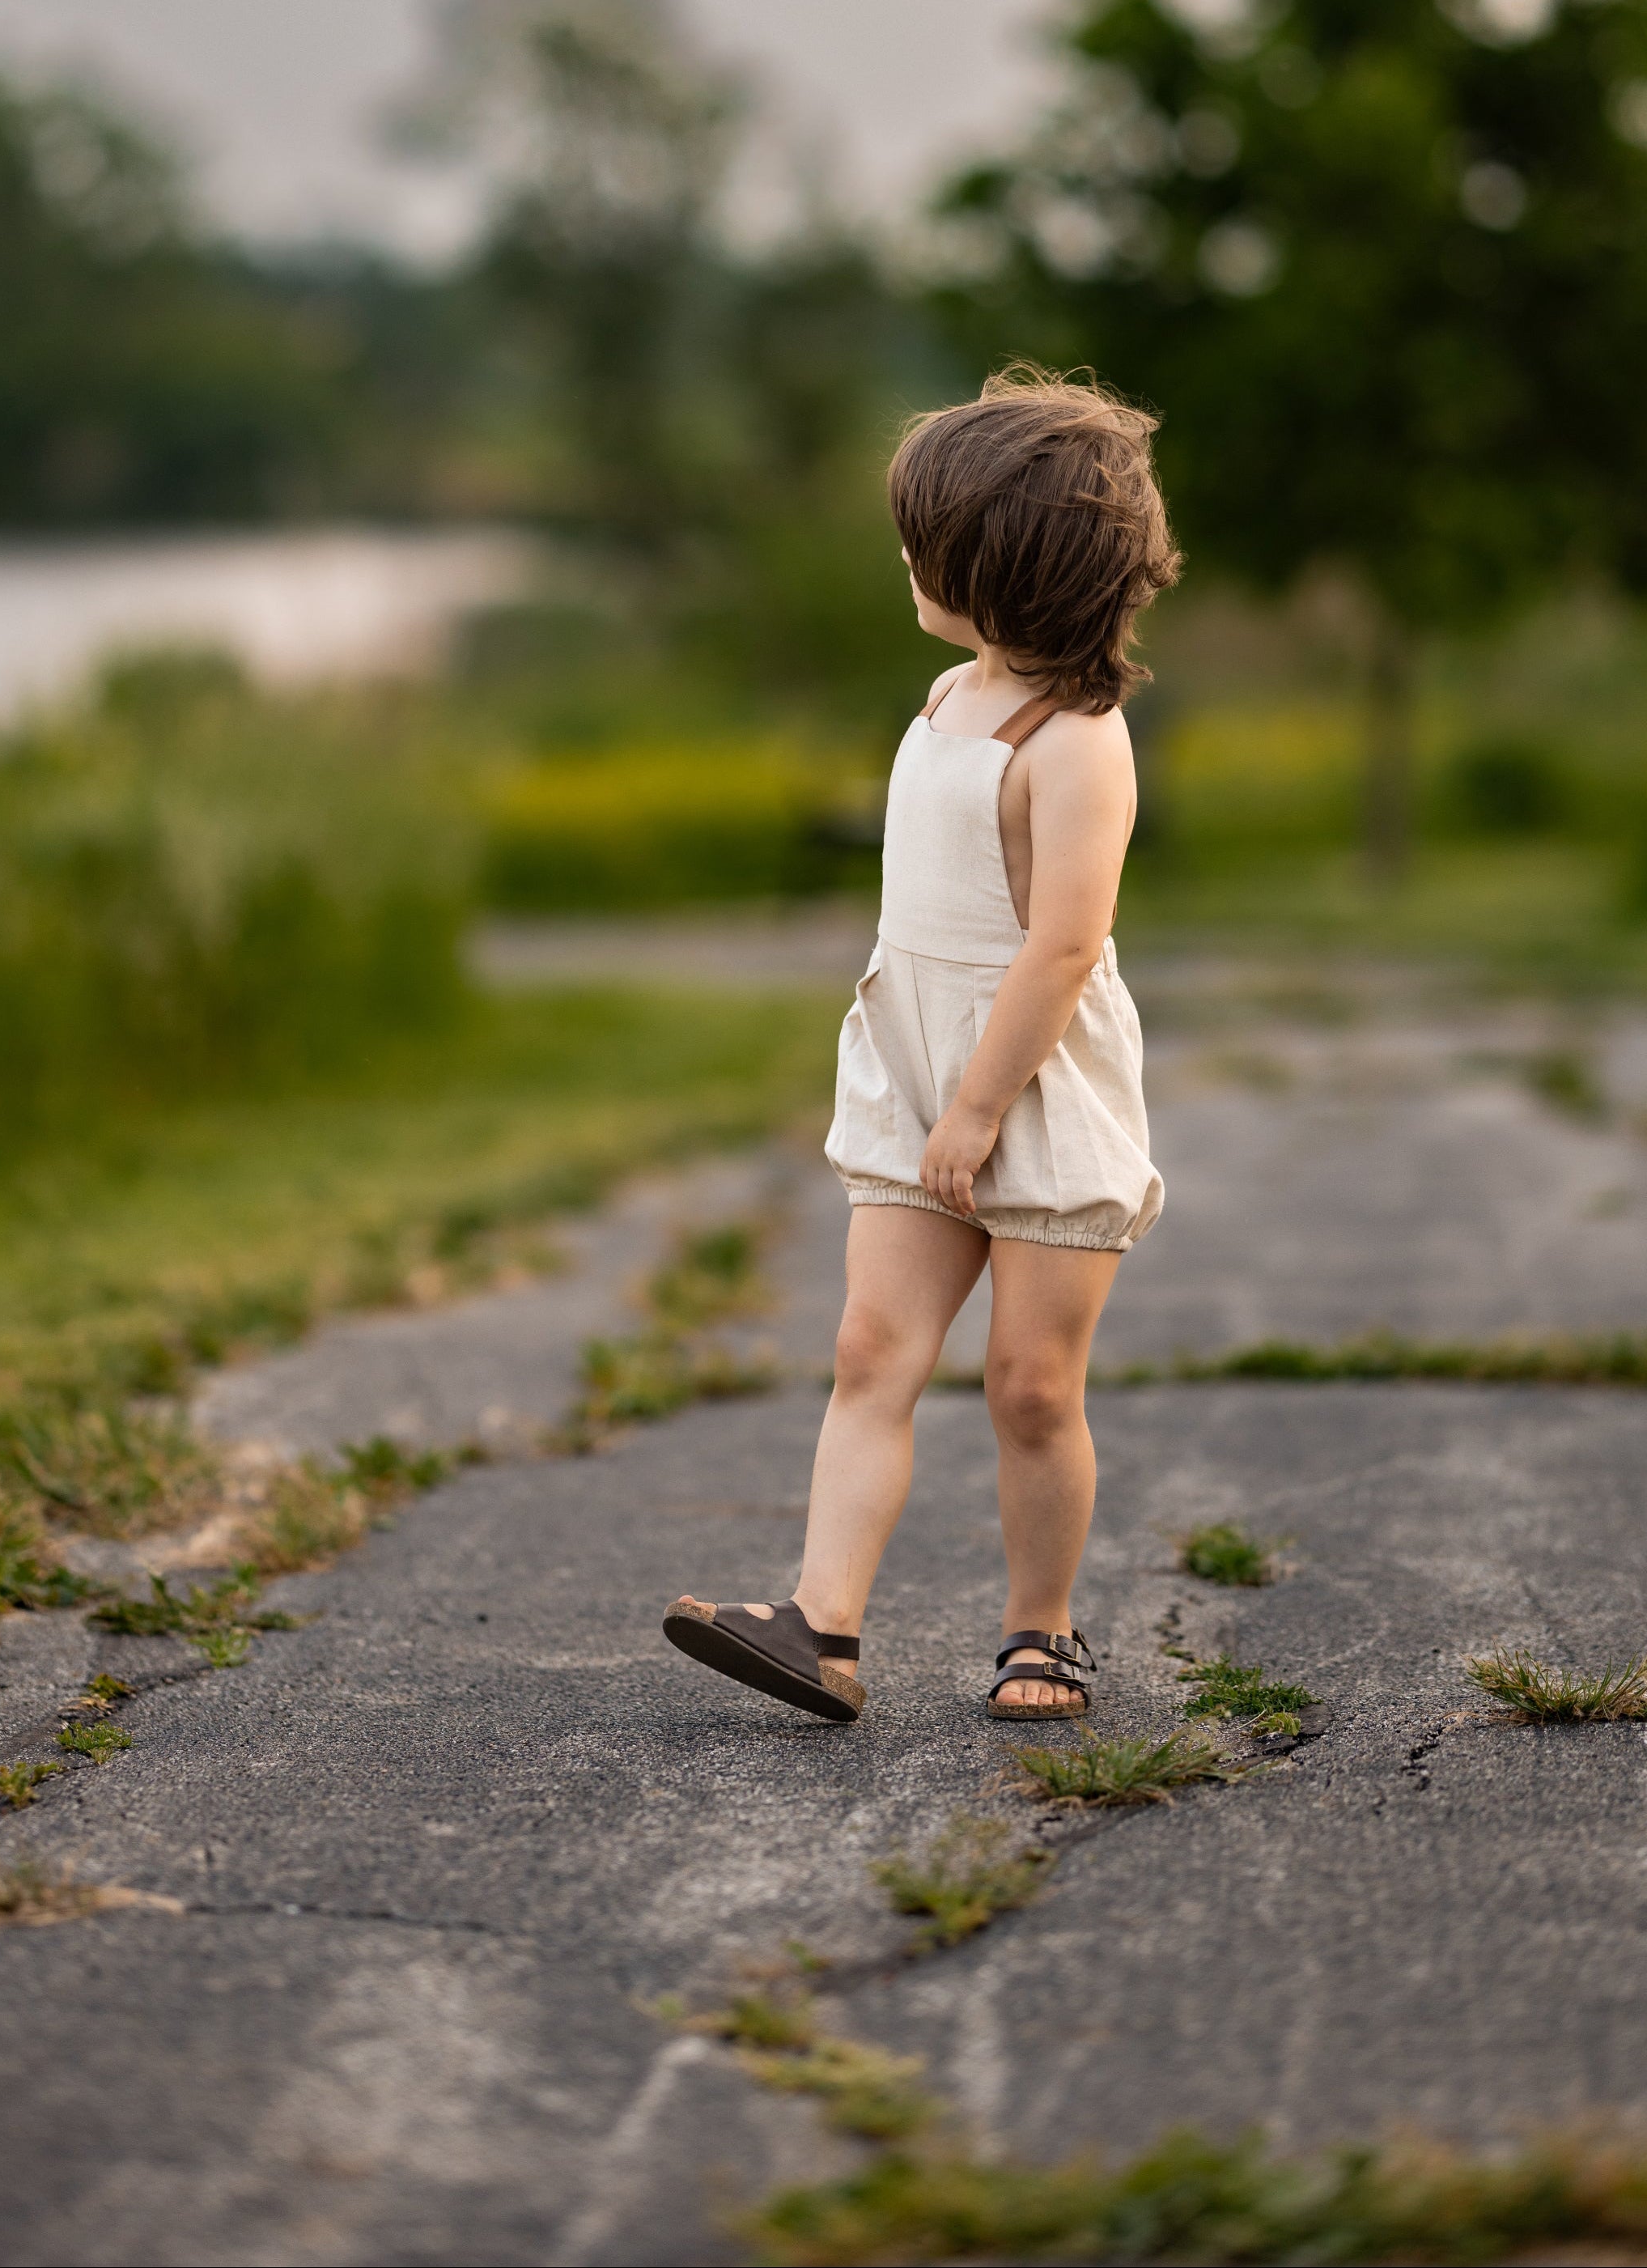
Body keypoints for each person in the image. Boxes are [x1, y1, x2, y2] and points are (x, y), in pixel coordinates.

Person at [664, 367, 1179, 1725]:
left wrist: (976, 1109)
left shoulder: (1077, 743)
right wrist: (924, 1098)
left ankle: (1042, 1632)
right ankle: (819, 1627)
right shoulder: (947, 695)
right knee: (867, 1347)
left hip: (1031, 1090)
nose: (906, 557)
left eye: (929, 544)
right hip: (915, 1078)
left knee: (1026, 1386)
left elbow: (1061, 947)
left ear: (1009, 569)